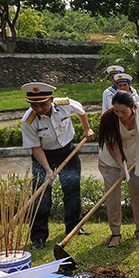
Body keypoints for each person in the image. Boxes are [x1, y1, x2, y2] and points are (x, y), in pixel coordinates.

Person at [19, 81, 94, 249]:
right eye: (34, 105)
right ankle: (38, 237)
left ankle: (74, 228)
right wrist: (47, 169)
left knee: (72, 190)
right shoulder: (28, 120)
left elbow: (81, 110)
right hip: (43, 156)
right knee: (41, 197)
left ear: (51, 99)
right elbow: (35, 147)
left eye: (42, 104)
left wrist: (87, 129)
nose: (38, 109)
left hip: (68, 151)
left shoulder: (65, 104)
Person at [98, 91, 139, 246]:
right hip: (111, 161)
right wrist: (122, 166)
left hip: (137, 155)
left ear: (133, 107)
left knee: (138, 192)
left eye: (123, 111)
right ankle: (115, 233)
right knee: (113, 197)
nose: (119, 114)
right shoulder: (109, 119)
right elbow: (112, 147)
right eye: (116, 111)